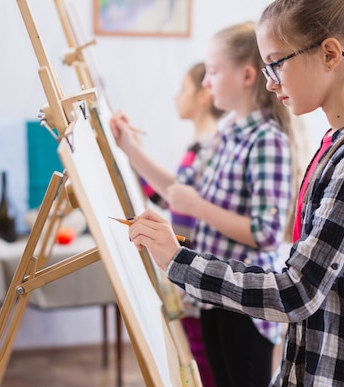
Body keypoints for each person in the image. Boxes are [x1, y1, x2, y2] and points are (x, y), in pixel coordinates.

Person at [126, 0, 344, 386]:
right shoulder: (340, 143)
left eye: (277, 63)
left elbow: (296, 292)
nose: (272, 82)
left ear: (330, 55)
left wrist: (178, 261)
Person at [112, 22, 307, 387]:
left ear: (247, 75)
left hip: (246, 306)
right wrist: (129, 148)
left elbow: (265, 234)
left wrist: (199, 207)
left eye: (213, 72)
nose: (206, 82)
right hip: (212, 293)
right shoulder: (227, 133)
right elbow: (179, 190)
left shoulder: (268, 141)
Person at [112, 62, 224, 387]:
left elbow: (180, 206)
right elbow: (170, 198)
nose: (176, 97)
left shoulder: (209, 146)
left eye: (183, 89)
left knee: (208, 369)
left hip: (199, 276)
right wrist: (131, 154)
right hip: (193, 274)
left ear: (204, 95)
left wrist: (132, 152)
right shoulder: (200, 145)